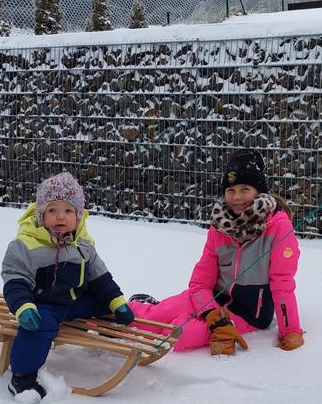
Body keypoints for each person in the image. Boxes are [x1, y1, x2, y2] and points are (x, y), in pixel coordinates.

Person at [128, 148, 304, 355]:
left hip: (247, 315)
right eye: (230, 190)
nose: (237, 197)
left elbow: (282, 283)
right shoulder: (220, 226)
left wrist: (290, 330)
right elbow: (200, 282)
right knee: (152, 318)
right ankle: (117, 309)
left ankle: (179, 317)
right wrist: (211, 313)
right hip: (210, 301)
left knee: (178, 334)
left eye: (245, 189)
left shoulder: (278, 227)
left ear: (259, 192)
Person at [1, 172, 134, 400]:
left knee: (104, 301)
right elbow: (15, 278)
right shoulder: (27, 244)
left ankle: (109, 331)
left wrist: (116, 301)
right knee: (38, 328)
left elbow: (99, 277)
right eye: (52, 210)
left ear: (78, 215)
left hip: (75, 301)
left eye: (68, 211)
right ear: (41, 214)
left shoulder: (83, 244)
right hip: (44, 305)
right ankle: (22, 376)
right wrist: (23, 306)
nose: (60, 216)